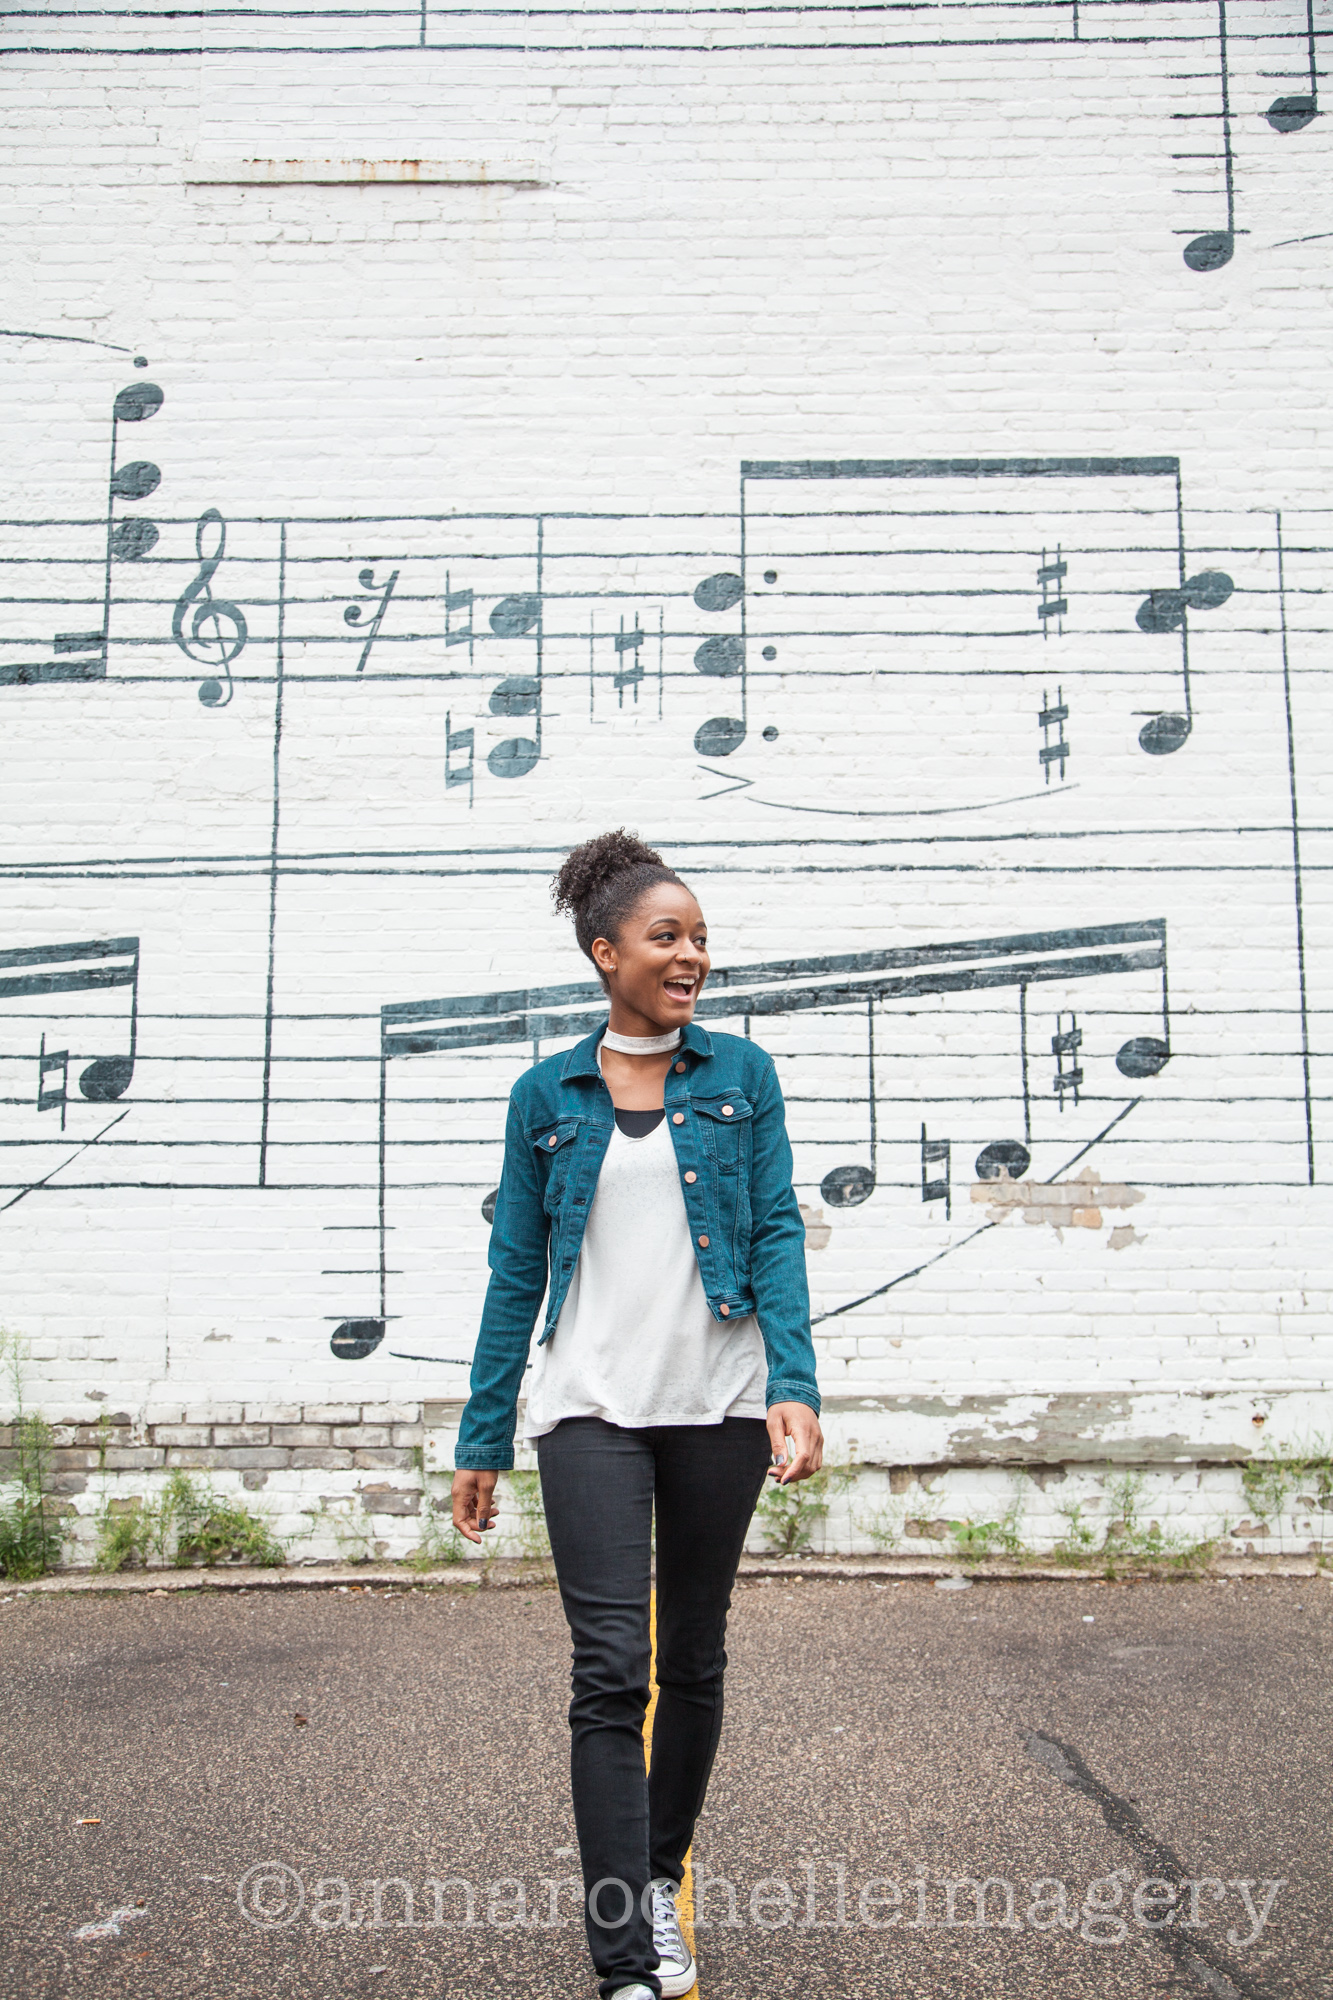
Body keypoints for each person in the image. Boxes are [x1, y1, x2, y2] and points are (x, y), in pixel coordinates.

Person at [451, 829, 823, 2000]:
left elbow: (772, 1231)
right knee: (611, 1668)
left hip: (715, 1399)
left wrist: (794, 1383)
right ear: (603, 950)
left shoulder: (741, 1076)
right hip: (588, 1407)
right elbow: (517, 1266)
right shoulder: (542, 1094)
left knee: (693, 1656)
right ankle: (623, 1950)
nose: (692, 954)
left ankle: (658, 1882)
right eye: (667, 935)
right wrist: (482, 1432)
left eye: (701, 935)